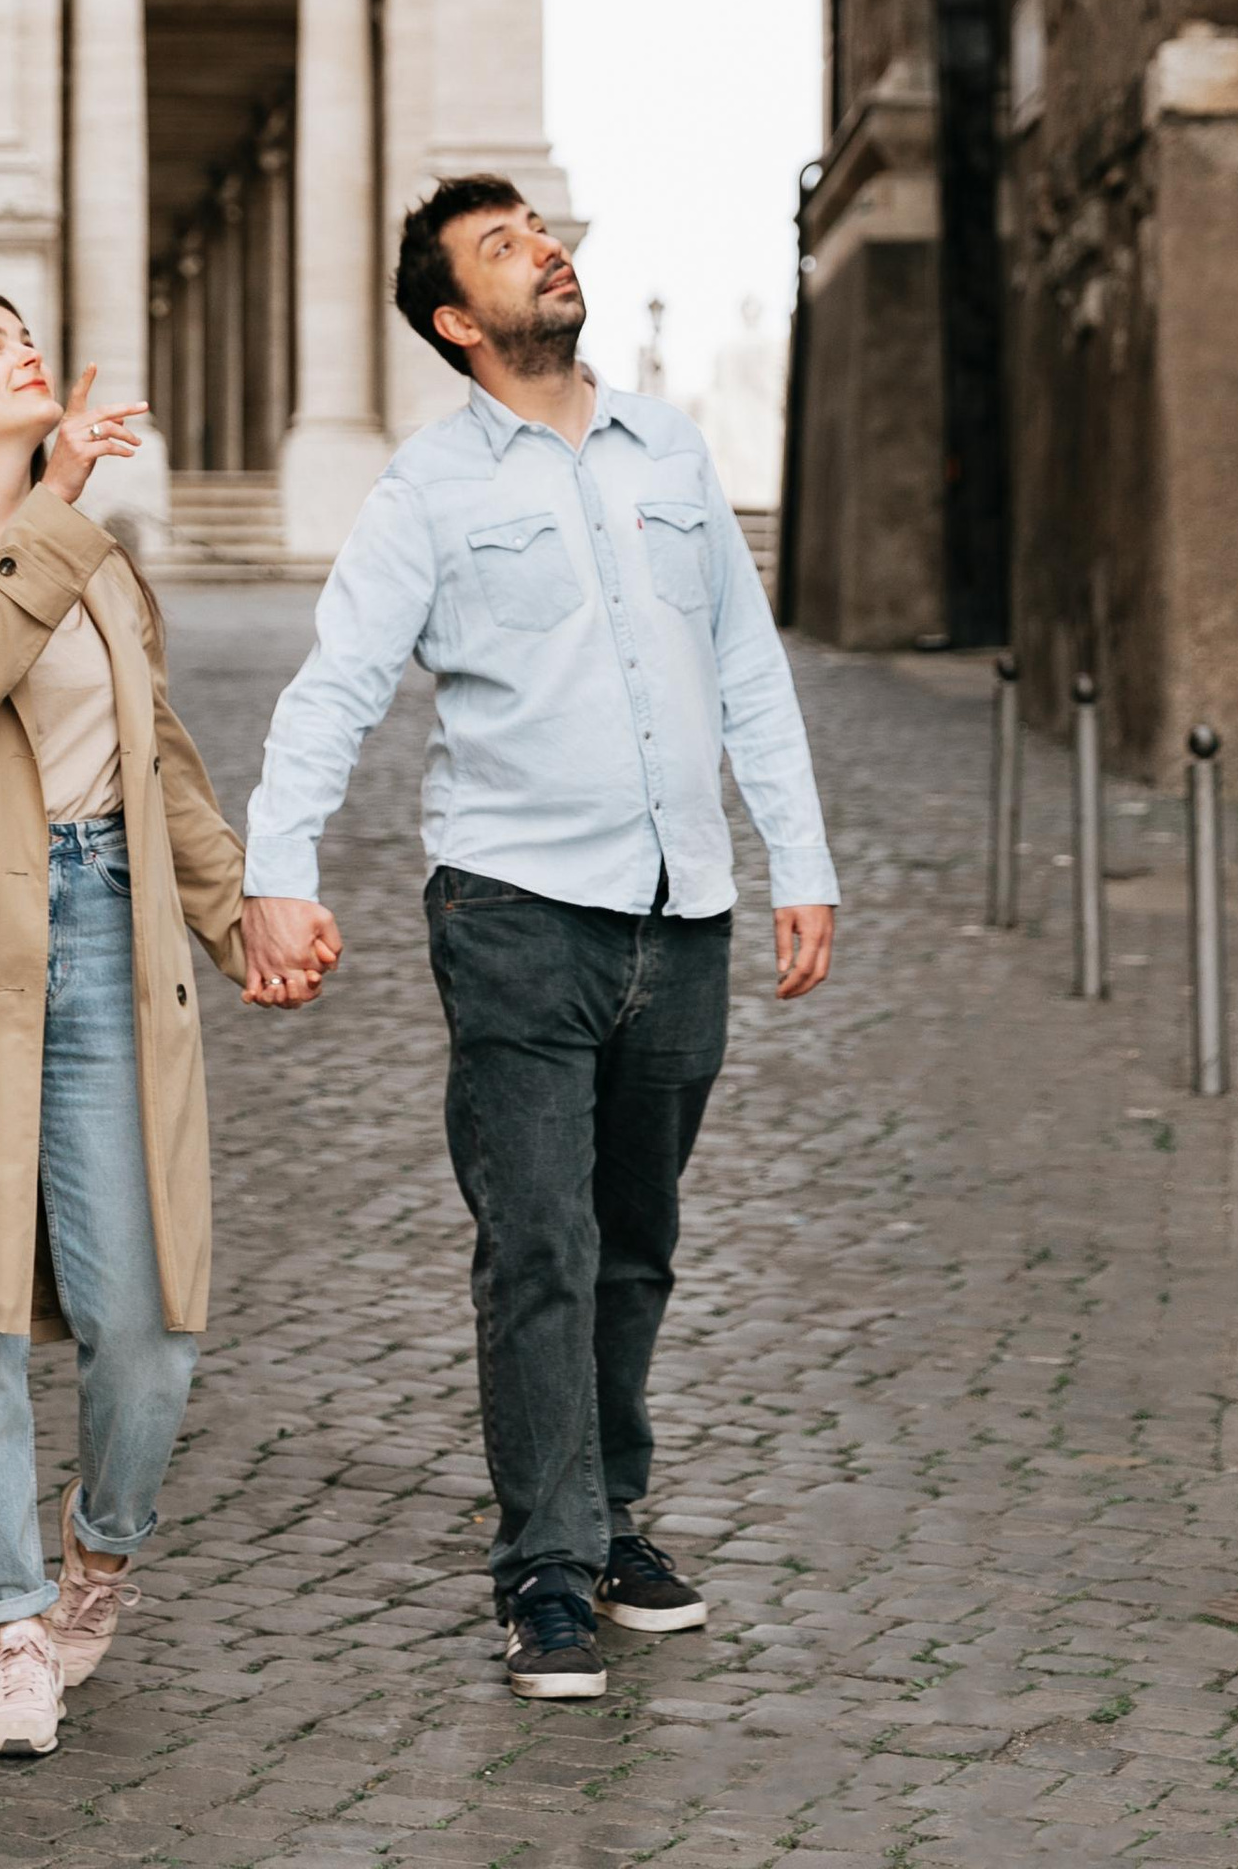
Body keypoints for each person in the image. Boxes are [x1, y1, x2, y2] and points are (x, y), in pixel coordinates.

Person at [242, 178, 838, 1703]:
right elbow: (337, 684)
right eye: (502, 247)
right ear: (457, 320)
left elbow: (746, 666)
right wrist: (276, 871)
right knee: (540, 1244)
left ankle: (612, 1514)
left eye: (540, 232)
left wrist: (800, 859)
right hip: (513, 910)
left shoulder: (671, 450)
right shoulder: (428, 489)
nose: (544, 252)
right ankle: (547, 1569)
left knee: (636, 1241)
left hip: (680, 909)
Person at [0, 291, 339, 1759]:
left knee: (146, 1325)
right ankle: (16, 1623)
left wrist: (242, 914)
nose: (22, 350)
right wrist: (60, 501)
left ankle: (100, 1557)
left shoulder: (87, 554)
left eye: (23, 332)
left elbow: (154, 756)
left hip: (104, 919)